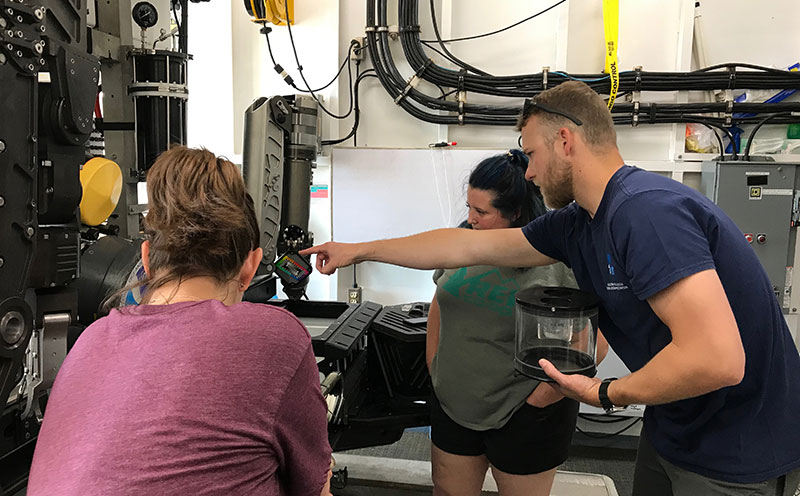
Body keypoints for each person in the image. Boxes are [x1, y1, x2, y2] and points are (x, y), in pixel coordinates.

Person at [301, 81, 800, 495]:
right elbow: (463, 249)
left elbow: (718, 358)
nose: (530, 171)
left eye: (531, 154)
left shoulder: (646, 212)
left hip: (738, 448)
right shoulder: (579, 223)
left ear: (565, 141)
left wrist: (605, 393)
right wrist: (358, 250)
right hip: (674, 426)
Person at [28, 147, 333, 496]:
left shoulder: (91, 339)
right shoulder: (277, 336)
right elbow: (314, 489)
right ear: (250, 267)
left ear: (146, 259)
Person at [426, 150, 607, 496]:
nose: (471, 218)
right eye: (469, 207)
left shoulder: (557, 258)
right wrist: (435, 366)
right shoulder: (465, 241)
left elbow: (594, 342)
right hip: (454, 402)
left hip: (526, 410)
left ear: (516, 213)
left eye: (482, 212)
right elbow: (440, 301)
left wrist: (541, 400)